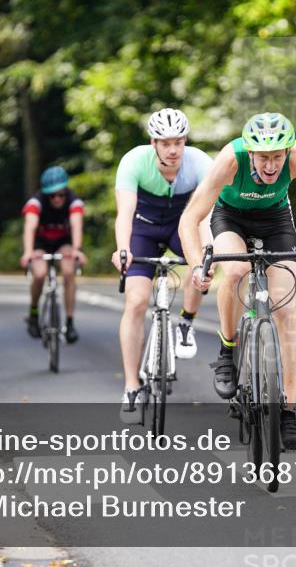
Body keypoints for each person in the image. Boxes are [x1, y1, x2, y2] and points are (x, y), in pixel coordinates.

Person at [178, 112, 296, 450]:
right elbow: (190, 218)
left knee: (286, 312)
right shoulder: (230, 159)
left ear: (287, 152)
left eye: (277, 157)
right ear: (250, 152)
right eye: (263, 157)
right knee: (236, 270)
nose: (270, 165)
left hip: (276, 220)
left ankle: (288, 413)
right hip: (230, 218)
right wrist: (196, 266)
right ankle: (227, 349)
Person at [112, 108, 213, 423]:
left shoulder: (200, 163)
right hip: (143, 229)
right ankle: (132, 386)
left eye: (178, 142)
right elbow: (124, 213)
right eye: (165, 143)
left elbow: (207, 216)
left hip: (182, 226)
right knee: (136, 301)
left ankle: (186, 323)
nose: (173, 150)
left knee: (201, 264)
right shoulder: (133, 161)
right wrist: (123, 249)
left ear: (185, 141)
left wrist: (207, 252)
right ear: (153, 143)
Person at [20, 166, 87, 343]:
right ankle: (34, 313)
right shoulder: (35, 202)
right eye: (52, 195)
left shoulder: (74, 201)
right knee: (40, 274)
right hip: (40, 243)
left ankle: (70, 323)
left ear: (66, 191)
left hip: (63, 242)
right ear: (45, 193)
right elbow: (30, 227)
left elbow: (76, 225)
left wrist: (77, 249)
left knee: (68, 272)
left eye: (60, 195)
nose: (57, 199)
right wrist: (28, 252)